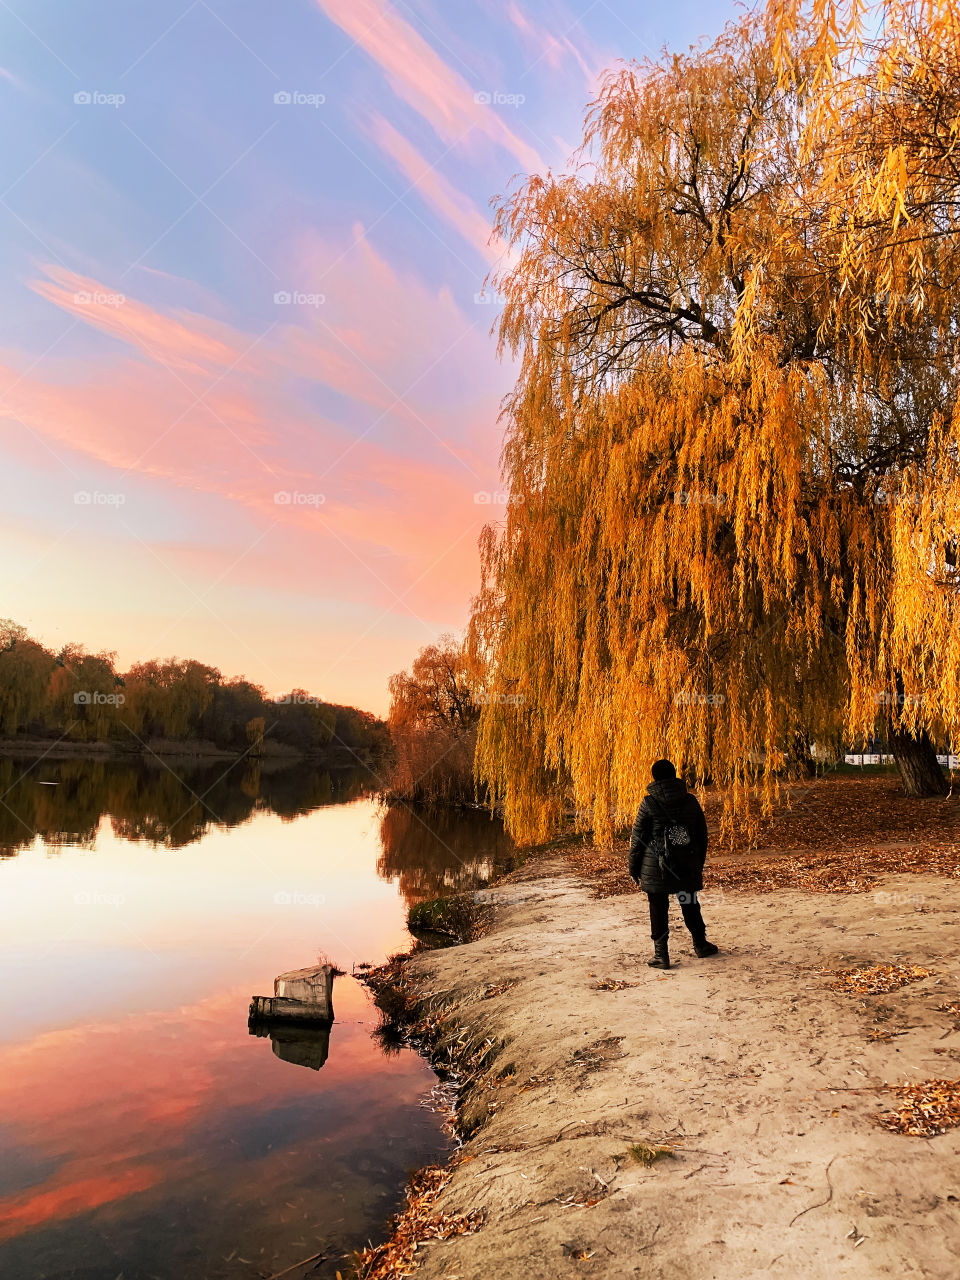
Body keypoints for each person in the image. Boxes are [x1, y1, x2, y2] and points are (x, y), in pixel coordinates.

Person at [628, 758, 719, 969]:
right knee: (689, 903)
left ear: (654, 778)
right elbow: (701, 836)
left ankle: (662, 955)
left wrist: (633, 868)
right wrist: (698, 863)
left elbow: (637, 839)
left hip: (656, 867)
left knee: (658, 907)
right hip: (686, 865)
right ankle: (701, 944)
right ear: (674, 775)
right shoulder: (690, 801)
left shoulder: (648, 803)